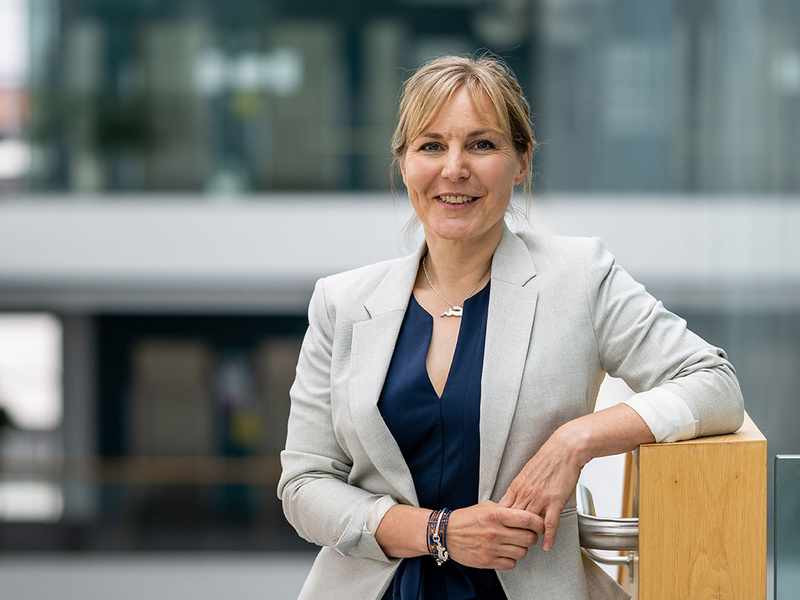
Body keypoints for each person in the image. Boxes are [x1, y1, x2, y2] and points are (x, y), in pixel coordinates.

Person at [277, 54, 744, 600]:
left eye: (482, 144)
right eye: (431, 146)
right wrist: (440, 533)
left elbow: (715, 383)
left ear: (521, 161)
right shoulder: (341, 303)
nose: (455, 168)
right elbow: (304, 486)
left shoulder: (580, 276)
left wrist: (576, 441)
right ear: (404, 164)